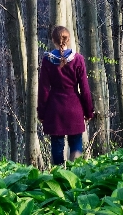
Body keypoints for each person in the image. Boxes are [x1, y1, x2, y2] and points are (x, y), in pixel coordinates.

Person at [37, 25, 94, 166]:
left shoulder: (47, 61)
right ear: (68, 40)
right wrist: (88, 111)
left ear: (53, 40)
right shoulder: (78, 59)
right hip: (75, 108)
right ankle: (75, 174)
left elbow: (43, 89)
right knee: (75, 143)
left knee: (57, 144)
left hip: (54, 109)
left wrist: (42, 113)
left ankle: (59, 176)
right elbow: (85, 88)